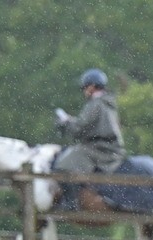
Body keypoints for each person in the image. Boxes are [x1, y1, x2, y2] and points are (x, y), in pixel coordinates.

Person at [53, 68, 126, 208]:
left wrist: (65, 122)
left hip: (101, 149)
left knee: (64, 165)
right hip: (109, 147)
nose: (84, 91)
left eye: (85, 87)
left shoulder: (96, 103)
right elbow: (88, 125)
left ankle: (71, 203)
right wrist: (71, 120)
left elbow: (79, 129)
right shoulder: (106, 102)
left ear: (92, 87)